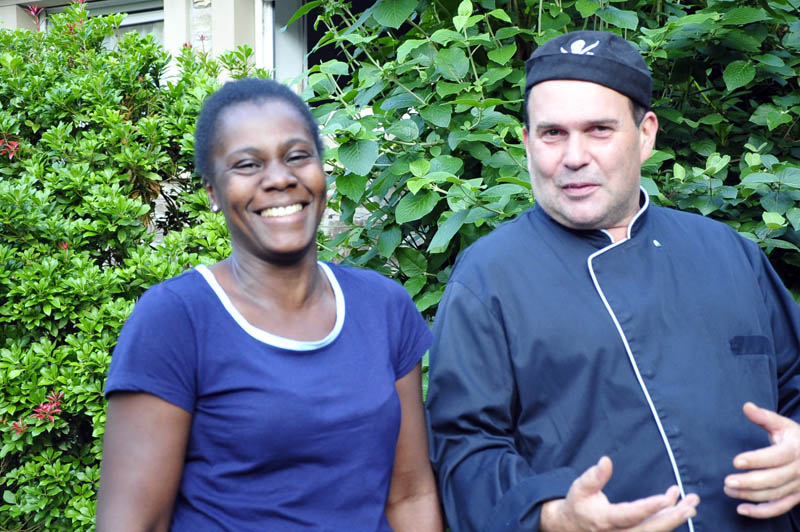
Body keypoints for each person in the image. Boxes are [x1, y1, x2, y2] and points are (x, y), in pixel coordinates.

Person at [425, 30, 800, 532]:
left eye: (599, 129)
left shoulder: (728, 253)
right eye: (552, 133)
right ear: (527, 142)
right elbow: (463, 449)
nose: (574, 156)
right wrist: (552, 515)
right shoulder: (488, 277)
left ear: (645, 133)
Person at [96, 78, 443, 531]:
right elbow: (133, 523)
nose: (280, 178)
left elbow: (410, 494)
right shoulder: (176, 318)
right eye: (247, 164)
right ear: (213, 193)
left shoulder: (384, 307)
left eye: (298, 155)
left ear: (323, 171)